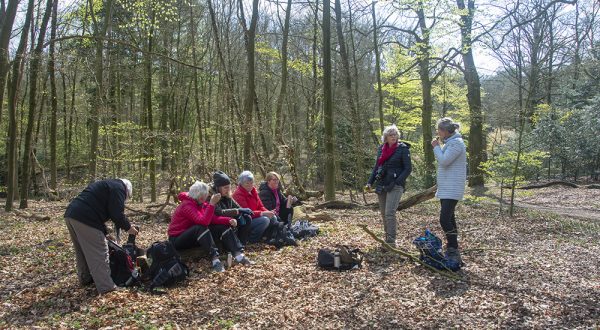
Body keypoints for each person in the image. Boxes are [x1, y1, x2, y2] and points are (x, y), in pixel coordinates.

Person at [64, 178, 139, 295]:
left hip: (71, 214)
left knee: (82, 250)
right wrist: (129, 228)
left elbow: (98, 210)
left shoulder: (109, 185)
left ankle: (85, 278)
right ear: (127, 191)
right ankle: (107, 288)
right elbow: (117, 213)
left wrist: (105, 233)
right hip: (85, 217)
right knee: (100, 250)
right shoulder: (119, 189)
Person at [168, 181, 253, 273]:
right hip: (177, 239)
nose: (207, 197)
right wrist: (212, 204)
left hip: (193, 236)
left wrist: (228, 220)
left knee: (222, 226)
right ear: (200, 196)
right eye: (206, 195)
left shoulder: (200, 204)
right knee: (200, 227)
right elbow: (203, 222)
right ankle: (215, 260)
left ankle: (238, 255)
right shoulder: (187, 205)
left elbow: (213, 218)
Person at [365, 125, 412, 248]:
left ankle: (391, 242)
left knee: (390, 213)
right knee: (383, 213)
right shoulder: (381, 149)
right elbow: (376, 167)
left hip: (396, 185)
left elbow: (408, 169)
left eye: (395, 134)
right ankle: (387, 239)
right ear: (385, 137)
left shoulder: (403, 149)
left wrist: (397, 182)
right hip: (382, 185)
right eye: (391, 134)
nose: (393, 136)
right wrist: (370, 182)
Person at [431, 117, 467, 264]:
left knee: (444, 219)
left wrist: (435, 146)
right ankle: (453, 248)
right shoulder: (451, 142)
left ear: (445, 131)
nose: (438, 133)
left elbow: (444, 161)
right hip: (447, 187)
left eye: (439, 130)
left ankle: (453, 247)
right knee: (450, 218)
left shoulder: (456, 143)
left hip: (453, 187)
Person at [210, 171, 269, 244]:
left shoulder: (228, 196)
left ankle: (242, 242)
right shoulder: (214, 197)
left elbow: (238, 206)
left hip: (231, 219)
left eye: (229, 187)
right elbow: (219, 212)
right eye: (225, 188)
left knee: (246, 217)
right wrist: (238, 210)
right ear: (218, 188)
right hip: (219, 222)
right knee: (264, 220)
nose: (228, 190)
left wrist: (242, 210)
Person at [232, 171, 279, 242]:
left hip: (255, 216)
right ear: (241, 184)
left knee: (273, 217)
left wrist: (268, 212)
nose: (250, 185)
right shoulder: (238, 194)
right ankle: (252, 239)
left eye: (251, 183)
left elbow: (260, 206)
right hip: (245, 221)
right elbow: (247, 212)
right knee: (264, 220)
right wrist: (262, 213)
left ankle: (266, 236)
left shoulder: (253, 191)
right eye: (247, 183)